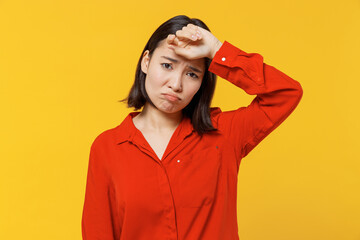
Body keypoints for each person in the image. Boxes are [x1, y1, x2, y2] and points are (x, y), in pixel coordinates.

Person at [81, 15, 303, 240]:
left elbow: (286, 93)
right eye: (167, 65)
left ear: (202, 83)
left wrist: (217, 50)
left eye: (192, 74)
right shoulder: (108, 147)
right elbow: (98, 232)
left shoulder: (223, 134)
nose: (176, 84)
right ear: (146, 62)